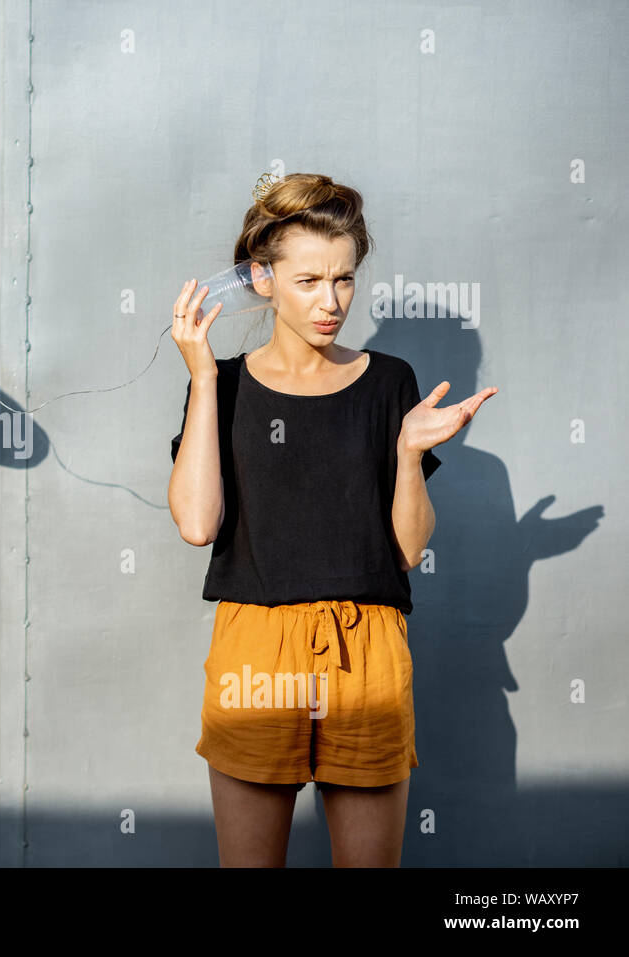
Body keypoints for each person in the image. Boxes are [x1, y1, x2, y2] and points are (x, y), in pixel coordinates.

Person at [167, 172, 497, 867]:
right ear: (263, 278)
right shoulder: (221, 386)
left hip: (369, 648)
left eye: (344, 279)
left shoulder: (390, 383)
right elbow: (198, 523)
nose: (331, 301)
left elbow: (406, 550)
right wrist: (201, 378)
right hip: (256, 645)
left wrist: (408, 454)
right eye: (310, 280)